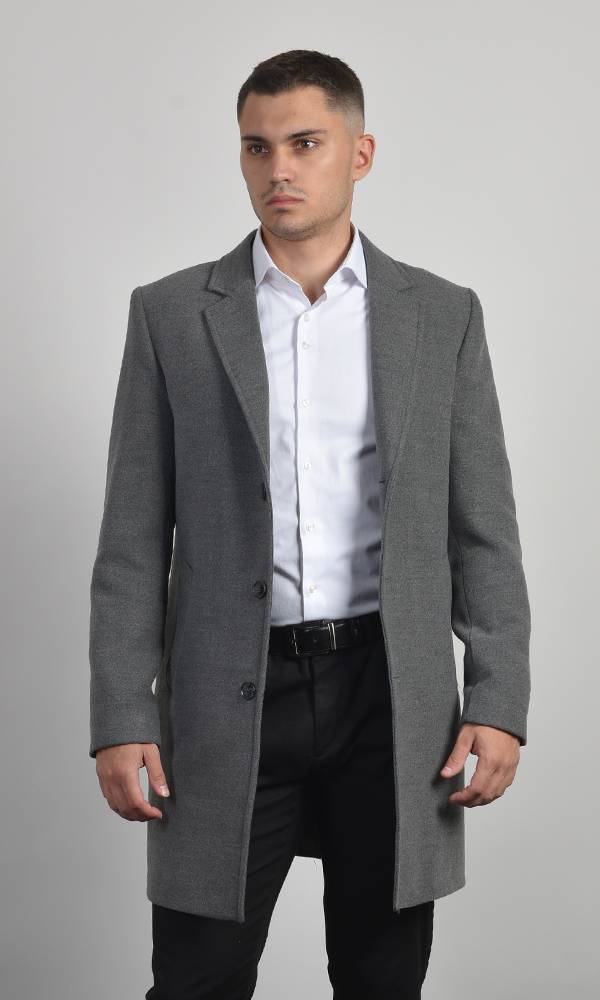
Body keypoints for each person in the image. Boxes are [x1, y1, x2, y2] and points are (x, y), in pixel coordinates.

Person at [89, 49, 531, 999]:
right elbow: (131, 543)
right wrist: (122, 714)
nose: (277, 169)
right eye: (257, 147)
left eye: (304, 144)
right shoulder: (171, 316)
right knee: (198, 978)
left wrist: (498, 698)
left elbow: (483, 528)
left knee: (381, 977)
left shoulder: (440, 315)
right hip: (227, 694)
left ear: (359, 154)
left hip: (390, 693)